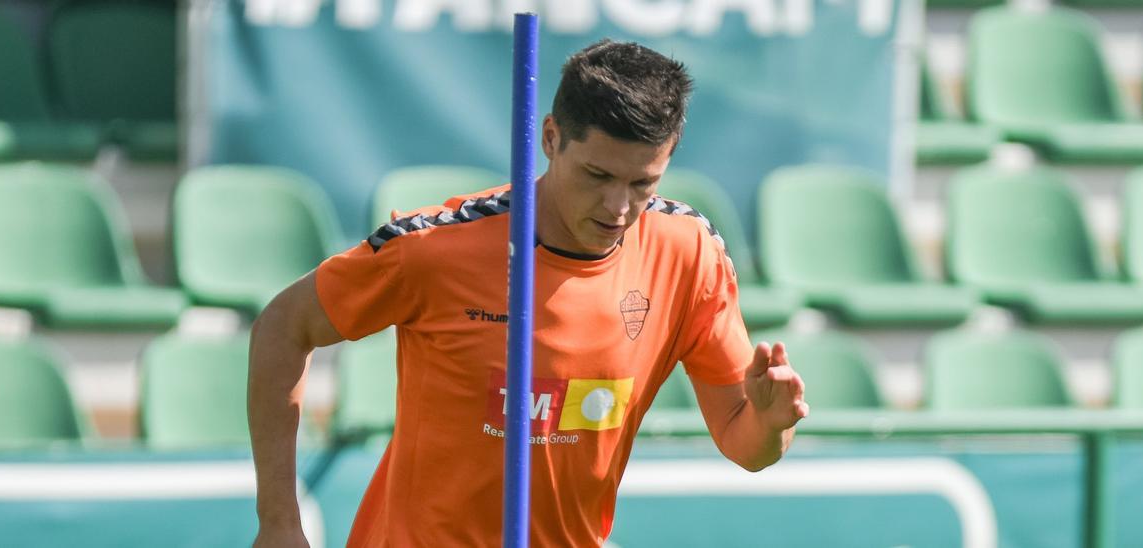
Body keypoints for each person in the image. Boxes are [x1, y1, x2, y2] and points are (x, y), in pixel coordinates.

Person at [248, 39, 809, 547]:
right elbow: (283, 326)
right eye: (596, 175)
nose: (618, 208)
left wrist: (770, 423)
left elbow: (747, 447)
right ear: (549, 138)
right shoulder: (434, 250)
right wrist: (279, 522)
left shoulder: (688, 253)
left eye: (642, 184)